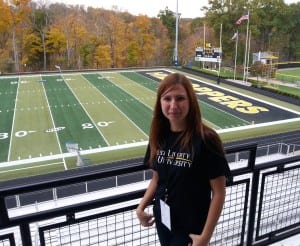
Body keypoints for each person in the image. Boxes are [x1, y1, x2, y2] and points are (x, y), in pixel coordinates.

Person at [136, 73, 230, 246]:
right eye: (167, 99)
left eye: (180, 98)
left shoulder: (206, 139)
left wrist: (205, 237)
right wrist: (141, 207)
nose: (173, 105)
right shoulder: (158, 137)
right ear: (160, 103)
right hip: (163, 218)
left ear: (191, 102)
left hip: (191, 226)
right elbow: (157, 178)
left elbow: (219, 192)